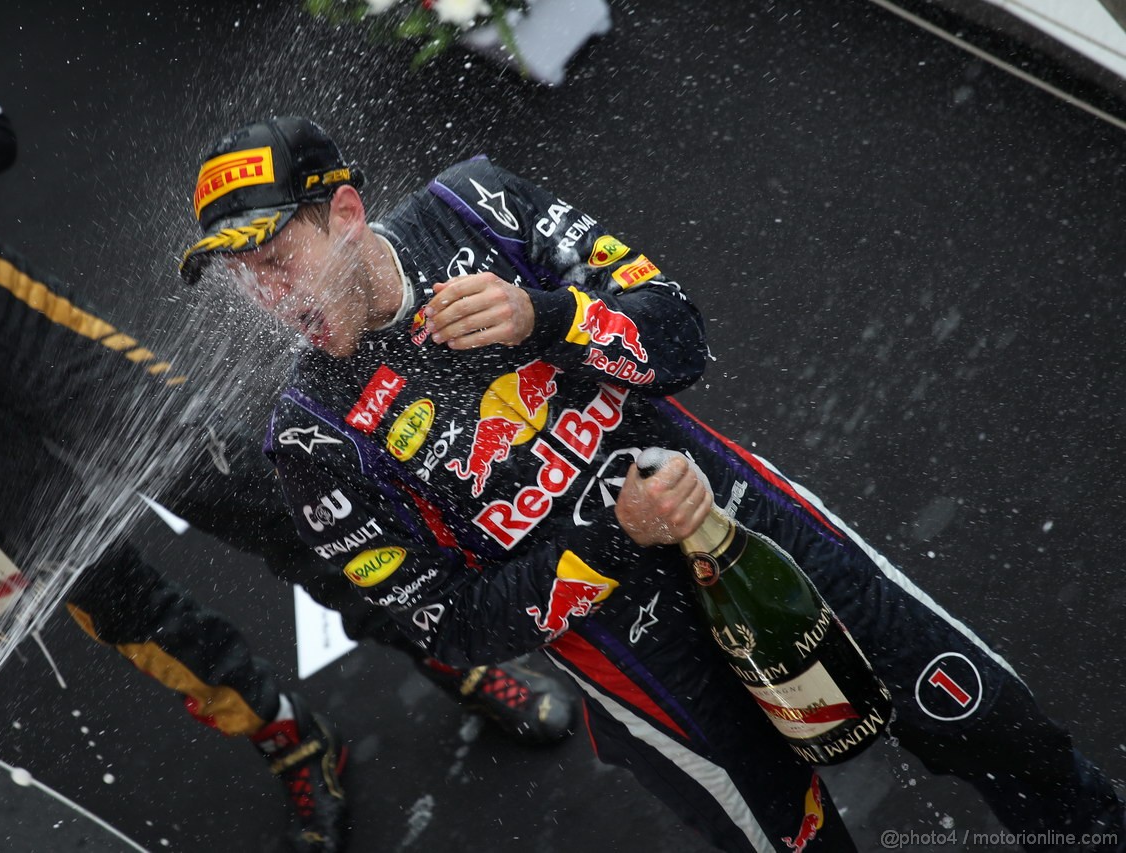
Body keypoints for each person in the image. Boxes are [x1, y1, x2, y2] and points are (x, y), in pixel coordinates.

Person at [178, 115, 1126, 852]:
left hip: (740, 518)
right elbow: (454, 629)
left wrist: (547, 316)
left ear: (344, 215)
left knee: (996, 724)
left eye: (274, 259)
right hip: (637, 659)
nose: (271, 297)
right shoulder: (308, 438)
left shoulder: (476, 208)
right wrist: (612, 535)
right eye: (243, 277)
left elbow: (681, 334)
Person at [0, 8, 575, 853]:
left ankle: (443, 645)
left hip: (1, 317)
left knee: (258, 492)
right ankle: (286, 733)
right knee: (106, 598)